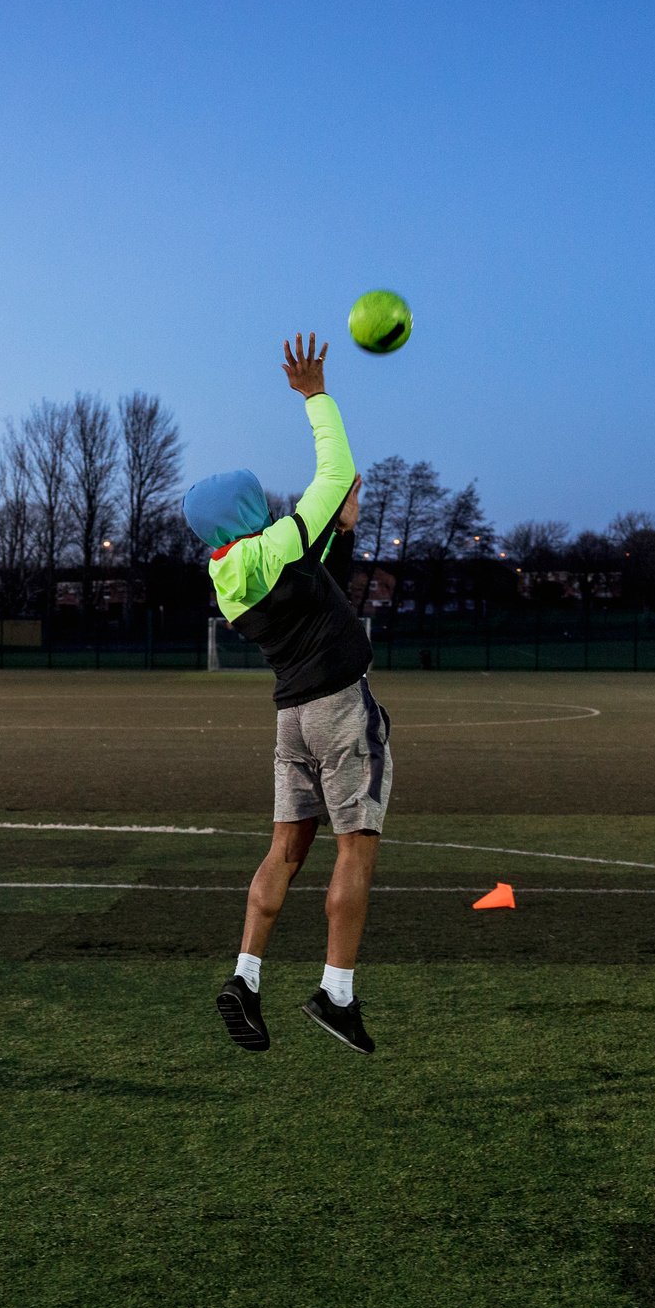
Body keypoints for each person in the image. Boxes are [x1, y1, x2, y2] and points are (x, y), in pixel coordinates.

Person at [191, 334, 388, 1054]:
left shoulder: (227, 571)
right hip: (337, 709)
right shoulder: (269, 547)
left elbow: (307, 580)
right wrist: (316, 399)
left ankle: (245, 976)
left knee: (284, 850)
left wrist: (339, 533)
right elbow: (336, 471)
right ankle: (338, 994)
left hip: (292, 719)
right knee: (355, 848)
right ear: (249, 513)